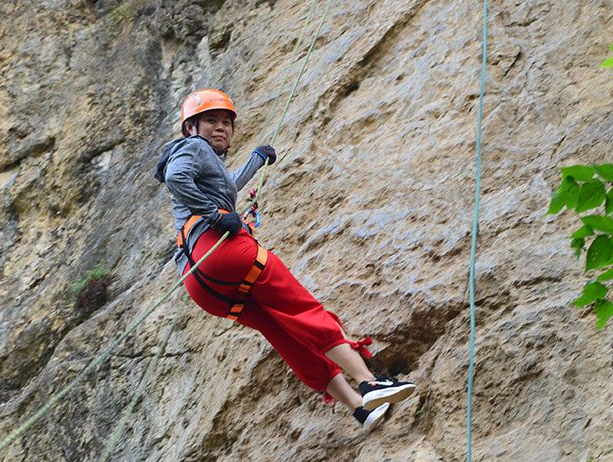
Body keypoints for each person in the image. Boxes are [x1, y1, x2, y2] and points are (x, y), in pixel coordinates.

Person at [154, 88, 418, 431]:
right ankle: (369, 382)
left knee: (283, 331)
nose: (220, 128)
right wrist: (217, 217)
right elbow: (177, 179)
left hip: (201, 281)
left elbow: (226, 187)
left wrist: (256, 160)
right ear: (191, 127)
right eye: (209, 121)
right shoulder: (194, 148)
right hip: (219, 248)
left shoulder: (206, 160)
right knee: (301, 309)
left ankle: (359, 408)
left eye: (225, 122)